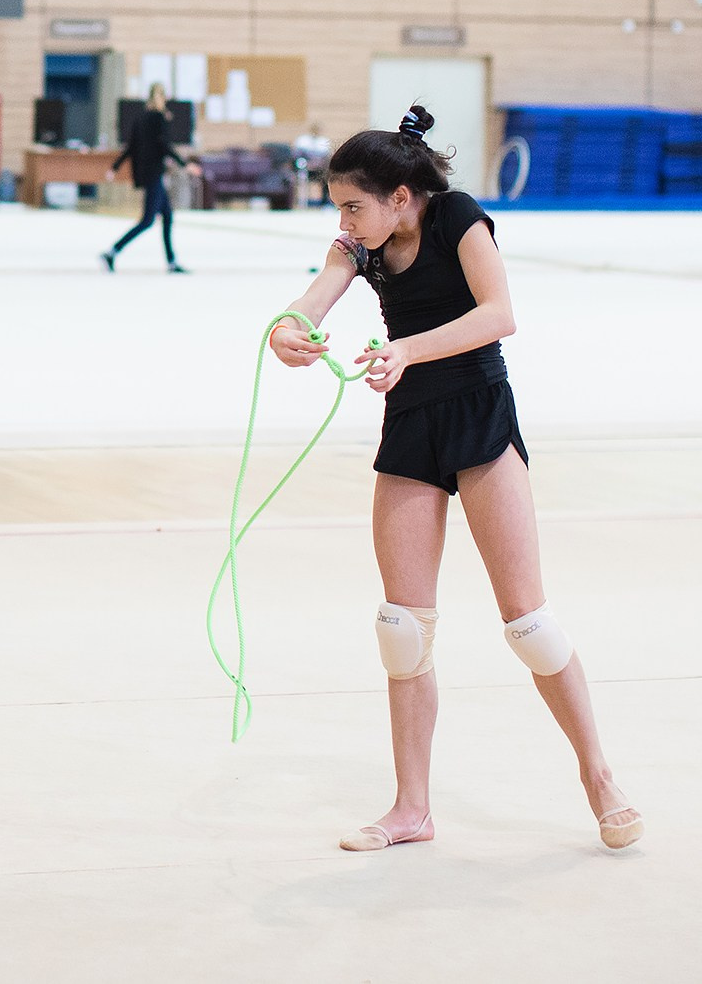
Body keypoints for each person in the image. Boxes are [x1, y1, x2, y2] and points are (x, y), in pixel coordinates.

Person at [267, 104, 641, 854]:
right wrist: (287, 332)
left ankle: (599, 777)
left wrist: (409, 349)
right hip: (411, 424)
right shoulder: (359, 243)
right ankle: (412, 808)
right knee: (402, 629)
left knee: (529, 624)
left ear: (400, 197)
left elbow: (500, 314)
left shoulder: (458, 216)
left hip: (479, 414)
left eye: (353, 205)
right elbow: (311, 301)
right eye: (338, 206)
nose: (343, 221)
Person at [101, 83, 199, 273]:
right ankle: (112, 252)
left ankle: (171, 262)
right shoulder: (159, 118)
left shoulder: (141, 118)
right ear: (162, 97)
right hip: (154, 173)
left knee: (167, 216)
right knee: (147, 221)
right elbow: (164, 146)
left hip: (147, 173)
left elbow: (130, 148)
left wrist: (114, 168)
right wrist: (185, 164)